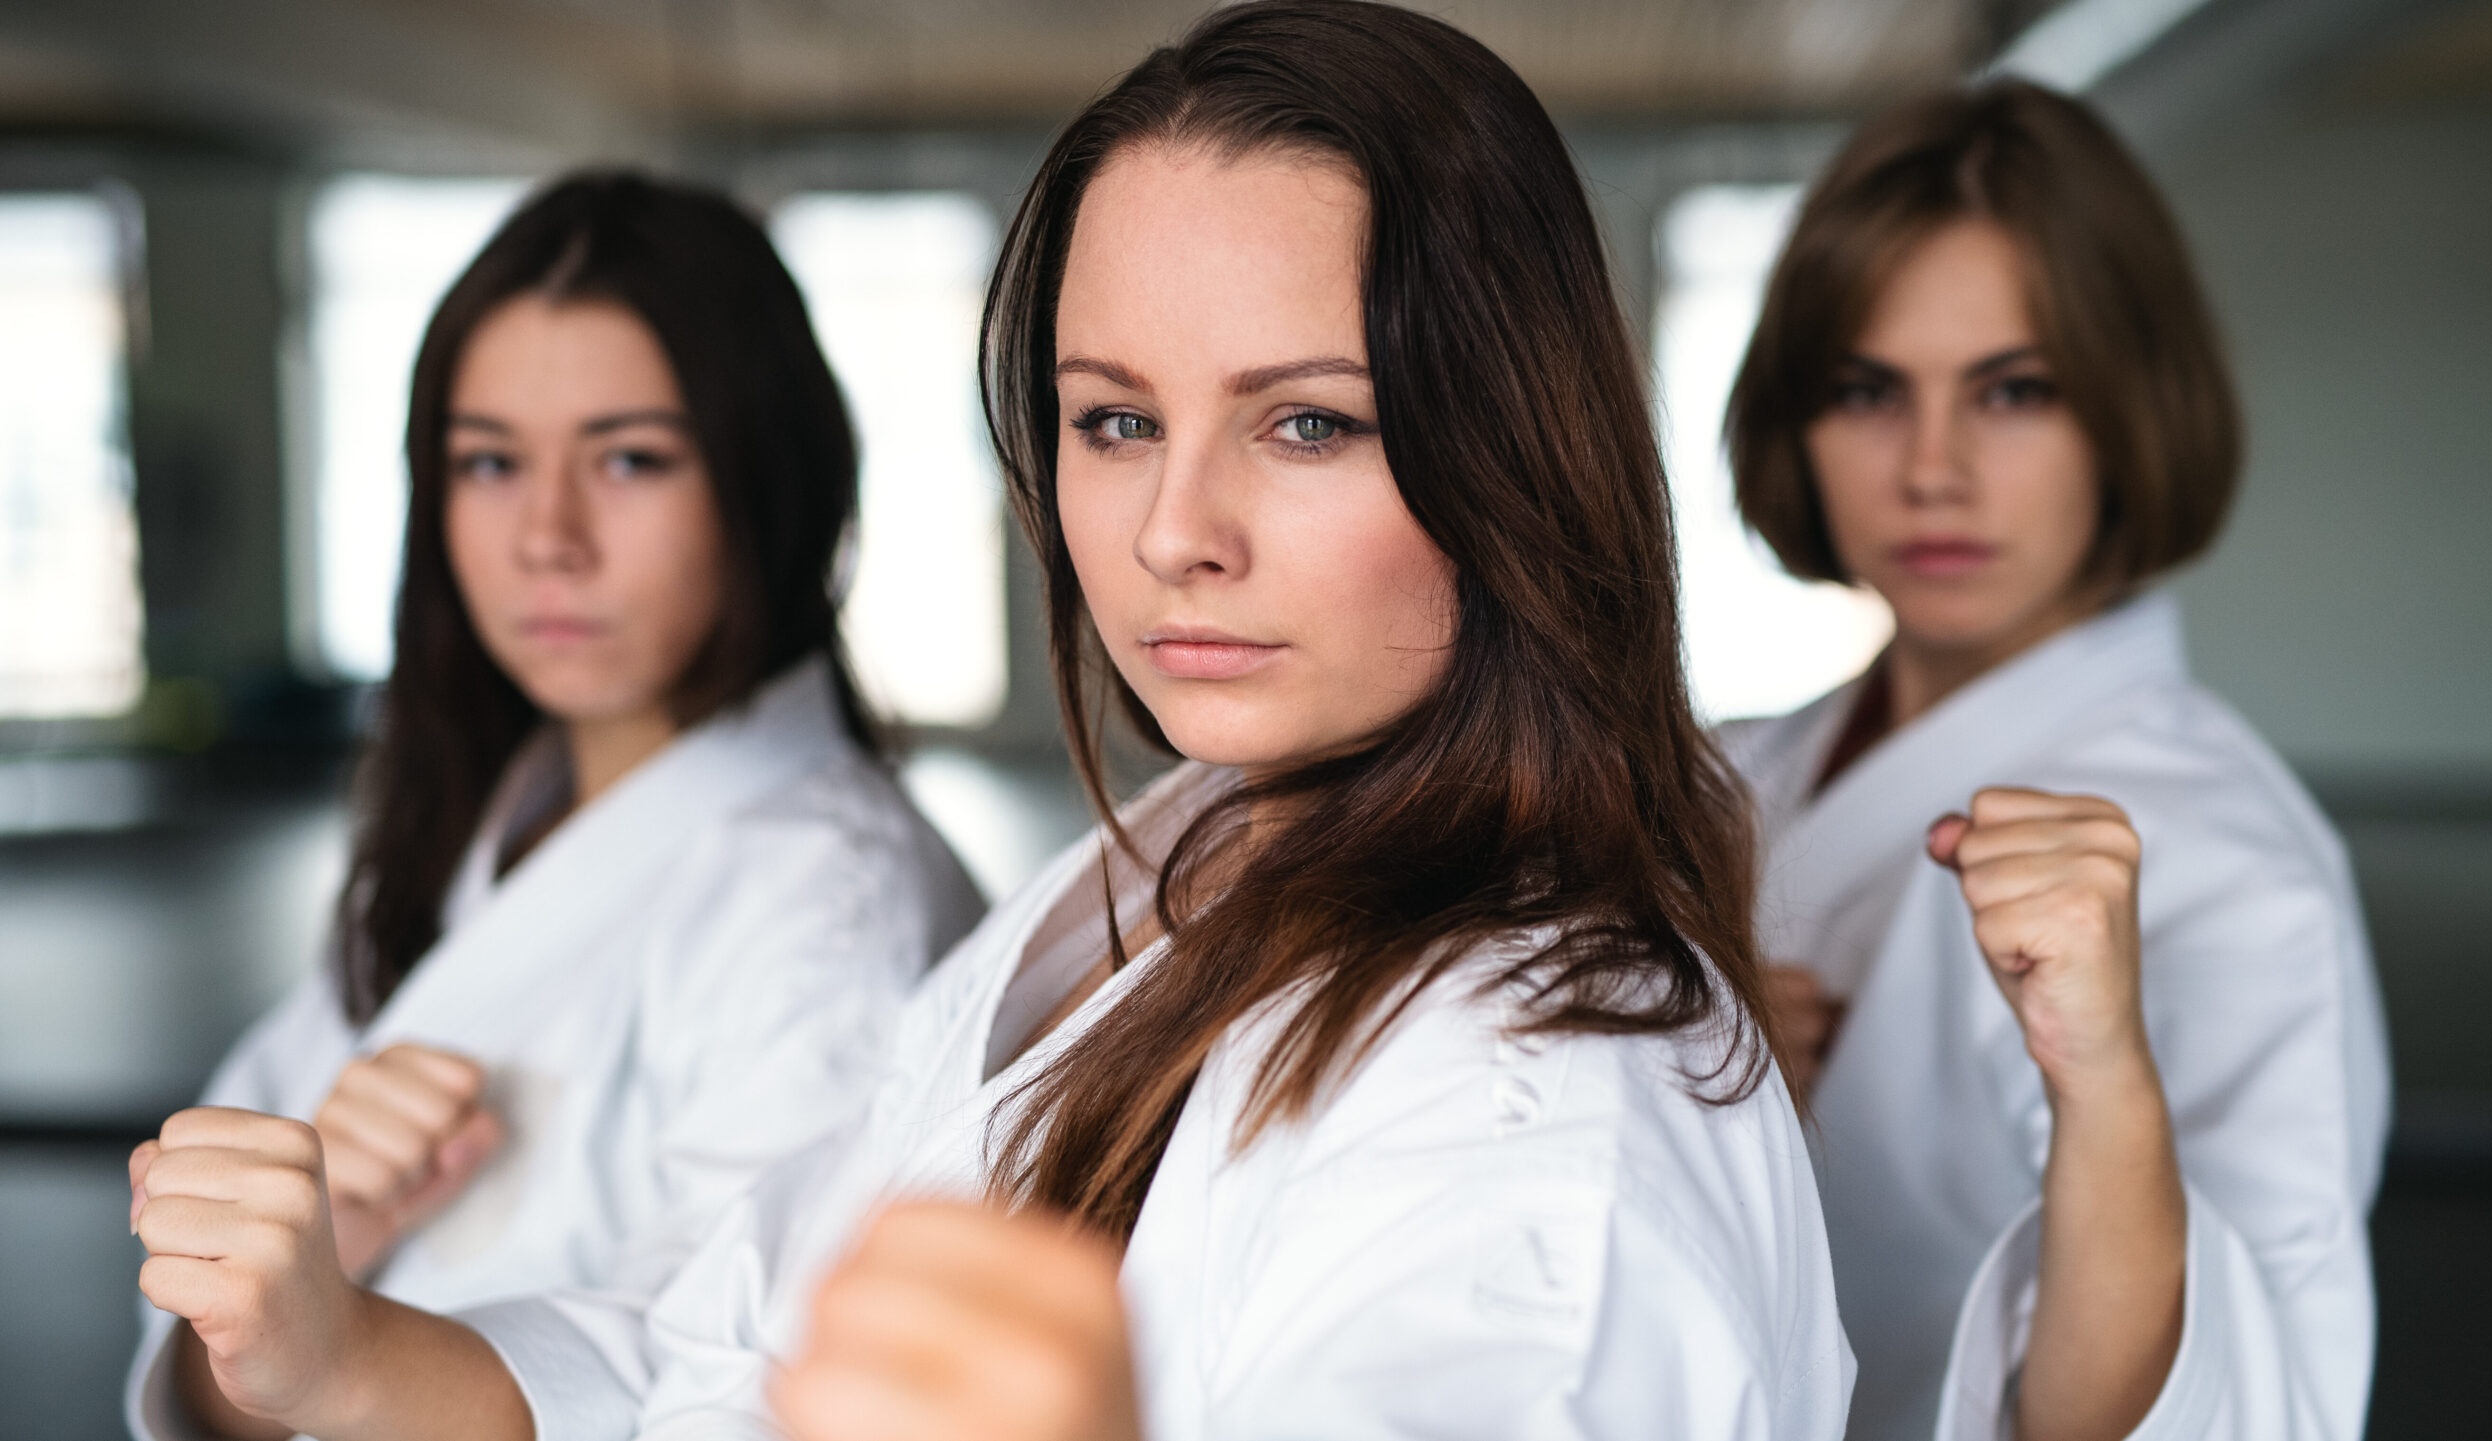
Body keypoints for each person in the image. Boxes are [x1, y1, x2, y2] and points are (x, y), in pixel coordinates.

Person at [124, 6, 1856, 1439]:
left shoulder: (1550, 1117)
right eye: (1113, 422)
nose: (1177, 529)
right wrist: (332, 1354)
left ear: (1515, 445)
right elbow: (707, 1363)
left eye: (1308, 425)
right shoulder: (1141, 884)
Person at [124, 172, 983, 1441]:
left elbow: (751, 1377)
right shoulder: (476, 825)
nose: (548, 536)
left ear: (770, 482)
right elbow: (219, 1357)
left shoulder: (830, 897)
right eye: (489, 462)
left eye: (630, 457)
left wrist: (347, 1348)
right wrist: (316, 1264)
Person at [1716, 81, 2390, 1441]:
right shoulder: (1717, 782)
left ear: (2128, 409)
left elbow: (2247, 1417)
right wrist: (1708, 1099)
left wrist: (2107, 1080)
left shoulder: (2232, 862)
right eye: (1865, 391)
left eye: (2015, 391)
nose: (1933, 468)